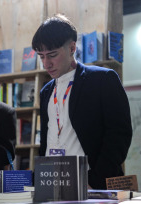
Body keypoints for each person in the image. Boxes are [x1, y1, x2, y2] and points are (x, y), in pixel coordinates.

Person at [32, 14, 132, 189]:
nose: (46, 64)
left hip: (92, 186)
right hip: (53, 186)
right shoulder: (46, 91)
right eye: (41, 56)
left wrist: (95, 180)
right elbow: (46, 143)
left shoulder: (102, 79)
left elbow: (119, 135)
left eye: (52, 55)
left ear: (72, 48)